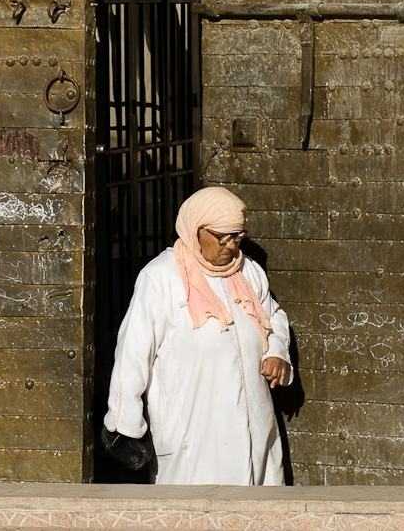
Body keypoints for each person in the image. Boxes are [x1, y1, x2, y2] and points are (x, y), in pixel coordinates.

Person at [103, 185, 292, 485]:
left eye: (237, 236)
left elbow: (274, 317)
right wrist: (124, 423)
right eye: (222, 237)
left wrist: (276, 352)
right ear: (196, 230)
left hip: (254, 430)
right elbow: (133, 353)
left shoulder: (249, 272)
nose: (231, 246)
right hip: (194, 435)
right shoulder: (161, 278)